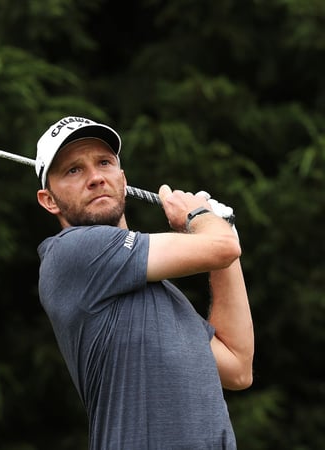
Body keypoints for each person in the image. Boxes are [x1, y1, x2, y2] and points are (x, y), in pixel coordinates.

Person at [34, 116, 254, 449]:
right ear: (49, 200)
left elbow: (237, 366)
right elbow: (220, 247)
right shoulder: (72, 251)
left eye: (104, 163)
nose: (95, 178)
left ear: (122, 180)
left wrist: (225, 240)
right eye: (73, 170)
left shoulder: (164, 294)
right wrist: (202, 218)